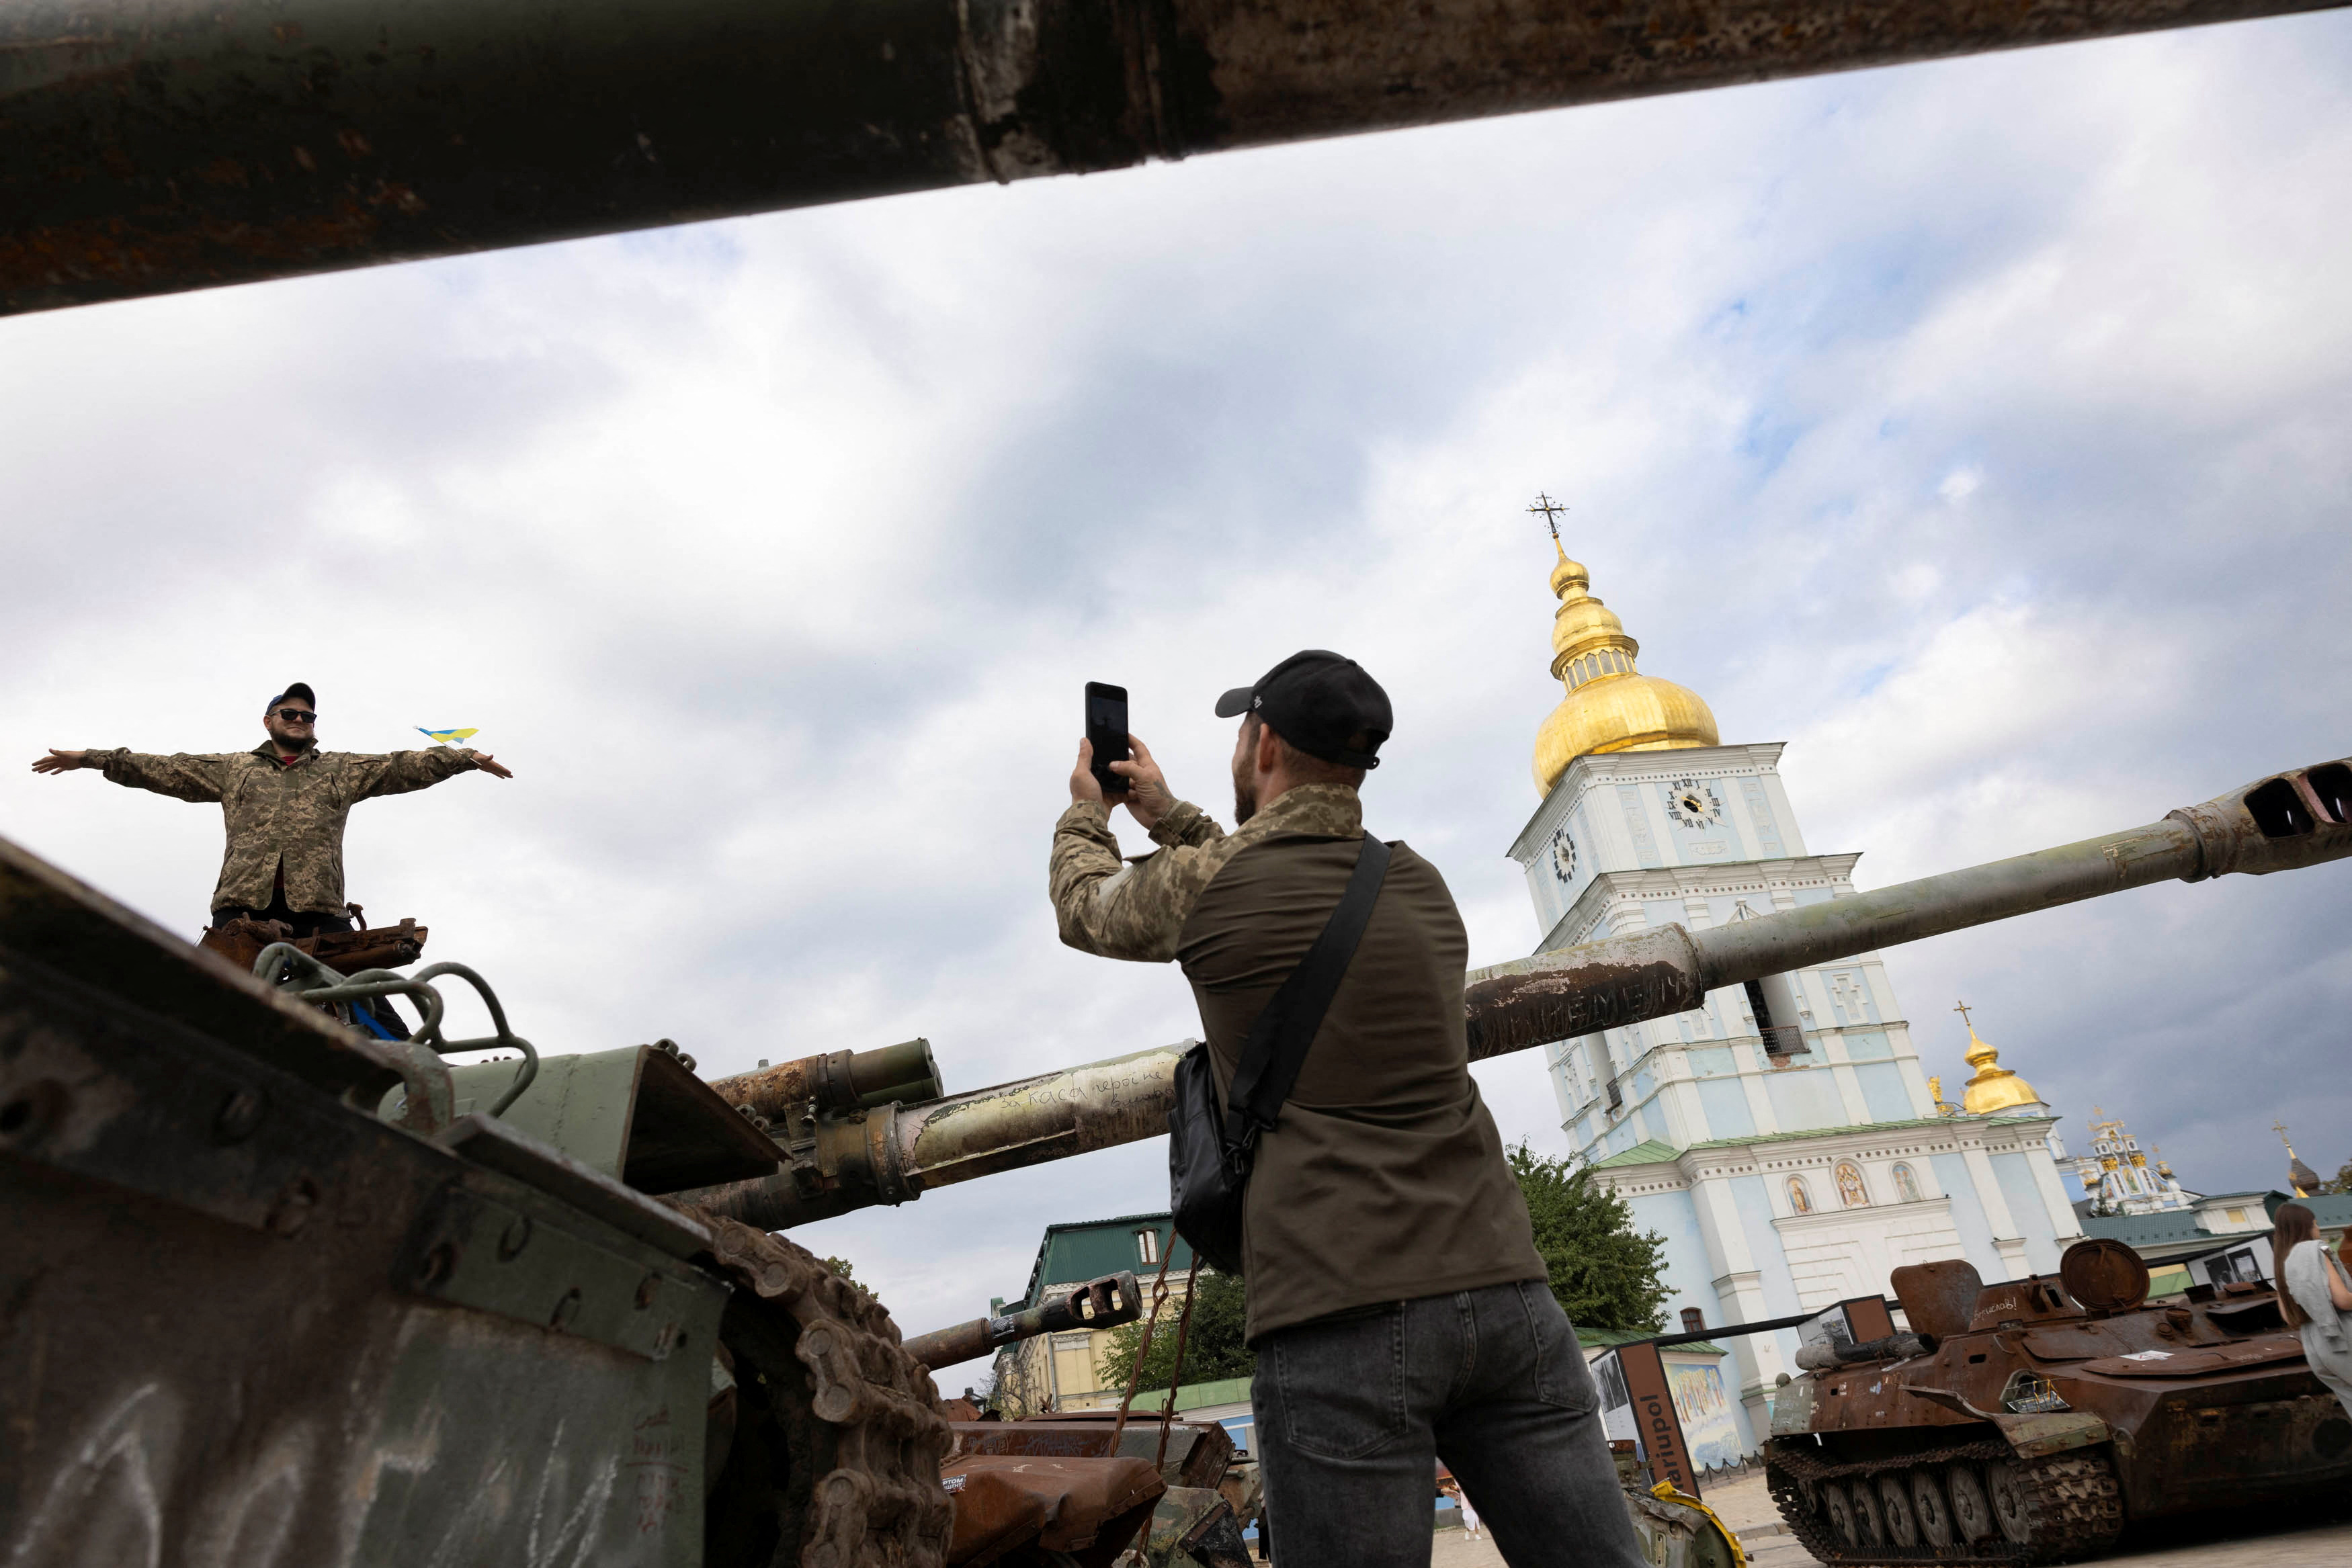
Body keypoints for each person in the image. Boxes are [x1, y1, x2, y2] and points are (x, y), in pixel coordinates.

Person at [1050, 650, 1643, 1568]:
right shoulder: (1421, 887)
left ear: (1265, 742)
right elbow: (1282, 865)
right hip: (1507, 1296)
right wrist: (1170, 816)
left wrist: (1091, 808)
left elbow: (1085, 905)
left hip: (1338, 1314)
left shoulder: (1209, 890)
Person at [31, 681, 512, 944]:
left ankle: (406, 1076)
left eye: (308, 716)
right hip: (242, 906)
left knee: (366, 1003)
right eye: (290, 713)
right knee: (209, 996)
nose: (300, 720)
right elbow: (164, 768)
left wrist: (462, 757)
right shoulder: (234, 768)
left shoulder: (340, 771)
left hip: (318, 909)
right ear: (269, 720)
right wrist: (91, 758)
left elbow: (403, 765)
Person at [2273, 1203, 2352, 1420]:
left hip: (2316, 1349)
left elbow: (2289, 1317)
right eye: (2316, 1224)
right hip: (2343, 1337)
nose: (2318, 1229)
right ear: (2305, 1227)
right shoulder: (2313, 1250)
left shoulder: (2282, 1262)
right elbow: (2343, 1300)